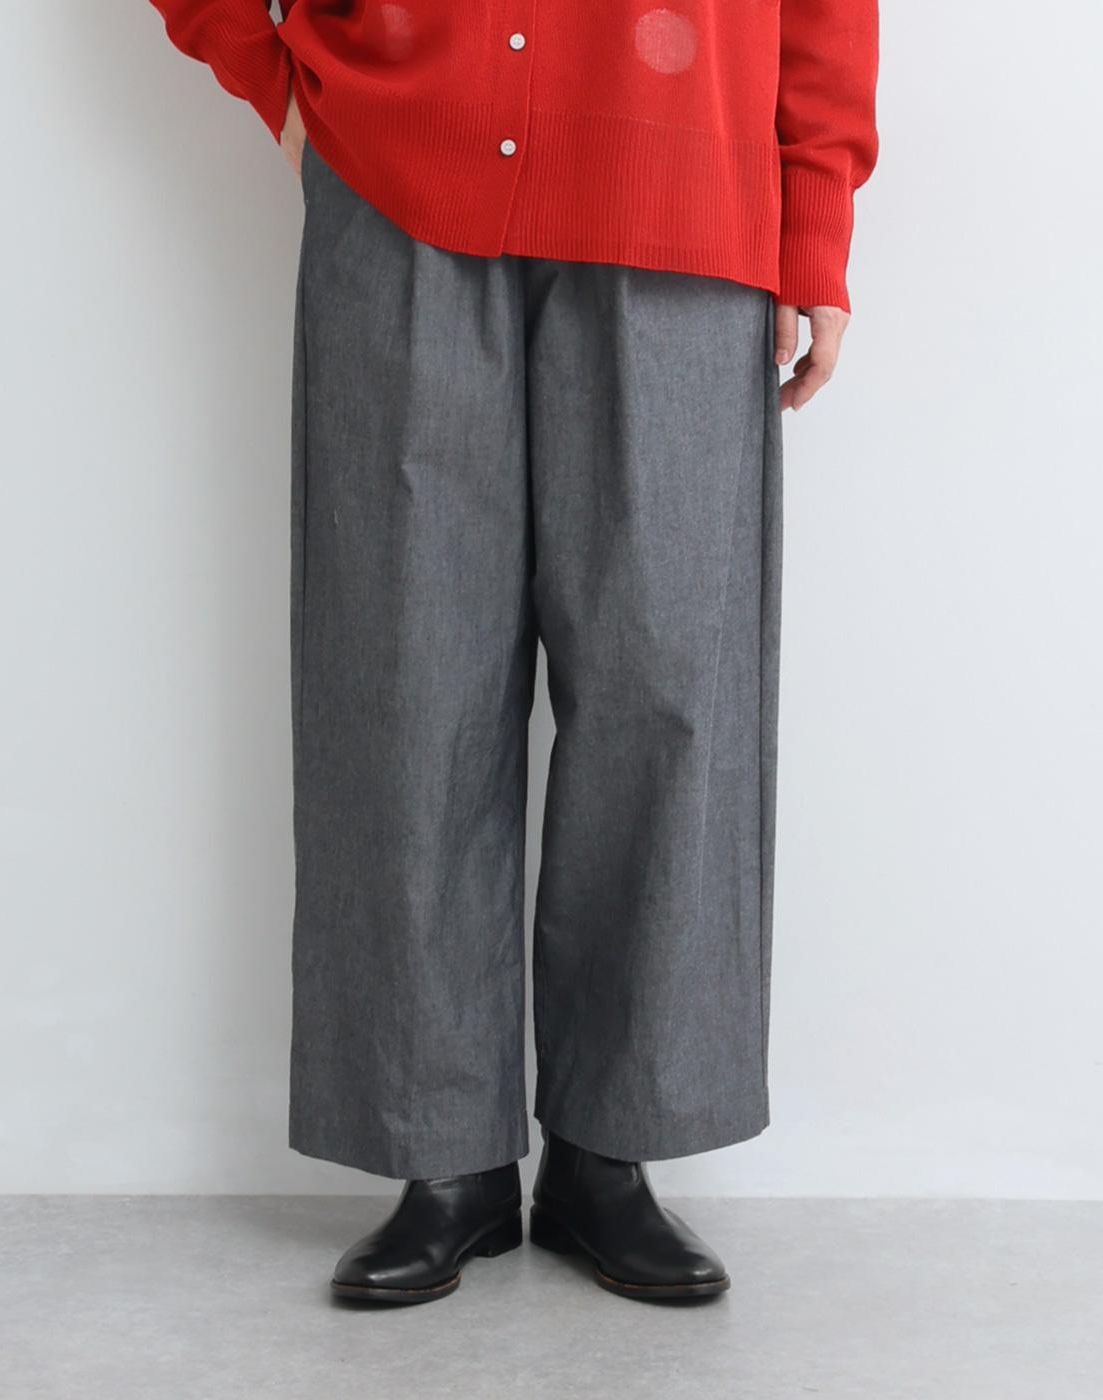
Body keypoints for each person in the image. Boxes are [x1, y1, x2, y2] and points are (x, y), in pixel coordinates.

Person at [149, 0, 879, 1304]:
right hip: (403, 180)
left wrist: (813, 222)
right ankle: (444, 1160)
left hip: (685, 190)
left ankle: (610, 1151)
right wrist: (280, 80)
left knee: (668, 687)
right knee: (404, 680)